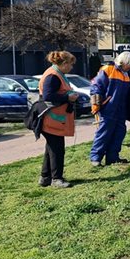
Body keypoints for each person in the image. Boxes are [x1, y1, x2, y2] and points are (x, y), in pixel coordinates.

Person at [89, 51, 130, 167]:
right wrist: (96, 106)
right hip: (108, 109)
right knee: (103, 133)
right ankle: (95, 158)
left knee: (119, 134)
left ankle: (113, 158)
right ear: (123, 62)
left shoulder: (129, 75)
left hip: (122, 110)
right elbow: (96, 87)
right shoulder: (107, 70)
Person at [37, 51, 79, 188]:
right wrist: (68, 97)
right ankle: (56, 179)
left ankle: (45, 177)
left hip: (54, 118)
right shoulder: (52, 76)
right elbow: (48, 96)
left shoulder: (56, 74)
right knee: (57, 150)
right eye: (71, 65)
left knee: (51, 148)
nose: (71, 68)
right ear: (64, 63)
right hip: (52, 118)